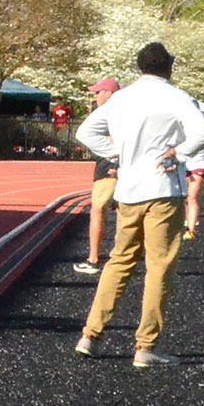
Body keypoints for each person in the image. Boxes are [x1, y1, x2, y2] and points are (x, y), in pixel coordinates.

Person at [74, 42, 204, 367]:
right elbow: (203, 132)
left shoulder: (122, 98)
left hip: (128, 190)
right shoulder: (176, 97)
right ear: (169, 66)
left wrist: (117, 153)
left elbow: (86, 132)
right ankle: (146, 345)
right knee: (159, 265)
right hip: (163, 189)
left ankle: (90, 335)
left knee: (119, 261)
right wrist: (177, 153)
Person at [74, 78, 121, 275]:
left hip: (109, 165)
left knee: (98, 209)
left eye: (98, 92)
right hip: (118, 164)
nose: (95, 96)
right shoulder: (124, 110)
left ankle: (93, 259)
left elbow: (84, 134)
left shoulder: (109, 111)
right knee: (122, 210)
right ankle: (120, 258)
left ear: (108, 93)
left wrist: (115, 153)